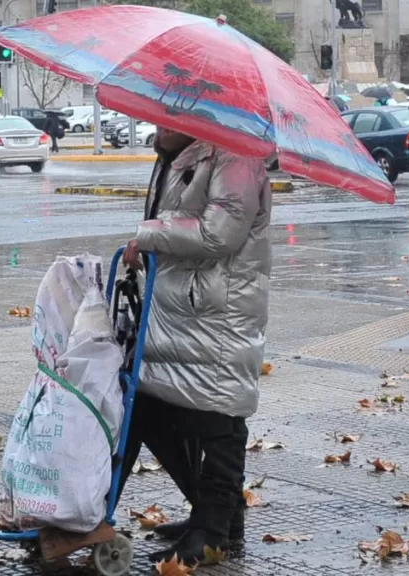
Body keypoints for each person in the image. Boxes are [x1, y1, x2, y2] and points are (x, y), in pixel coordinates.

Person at [119, 127, 271, 564]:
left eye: (171, 112)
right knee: (152, 410)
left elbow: (218, 234)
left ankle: (213, 531)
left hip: (219, 312)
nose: (159, 121)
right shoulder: (180, 152)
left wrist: (148, 236)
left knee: (219, 417)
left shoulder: (236, 155)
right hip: (181, 310)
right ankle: (217, 514)